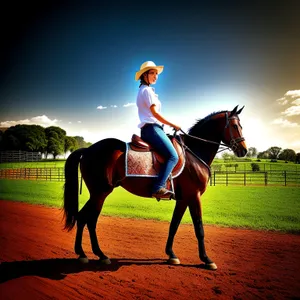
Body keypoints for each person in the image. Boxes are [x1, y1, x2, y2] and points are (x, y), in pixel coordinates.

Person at [135, 61, 181, 199]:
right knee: (174, 156)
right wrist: (173, 124)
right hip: (152, 128)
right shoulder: (147, 91)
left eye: (156, 73)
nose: (155, 76)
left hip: (151, 129)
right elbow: (155, 114)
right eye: (152, 73)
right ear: (144, 75)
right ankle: (158, 187)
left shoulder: (144, 90)